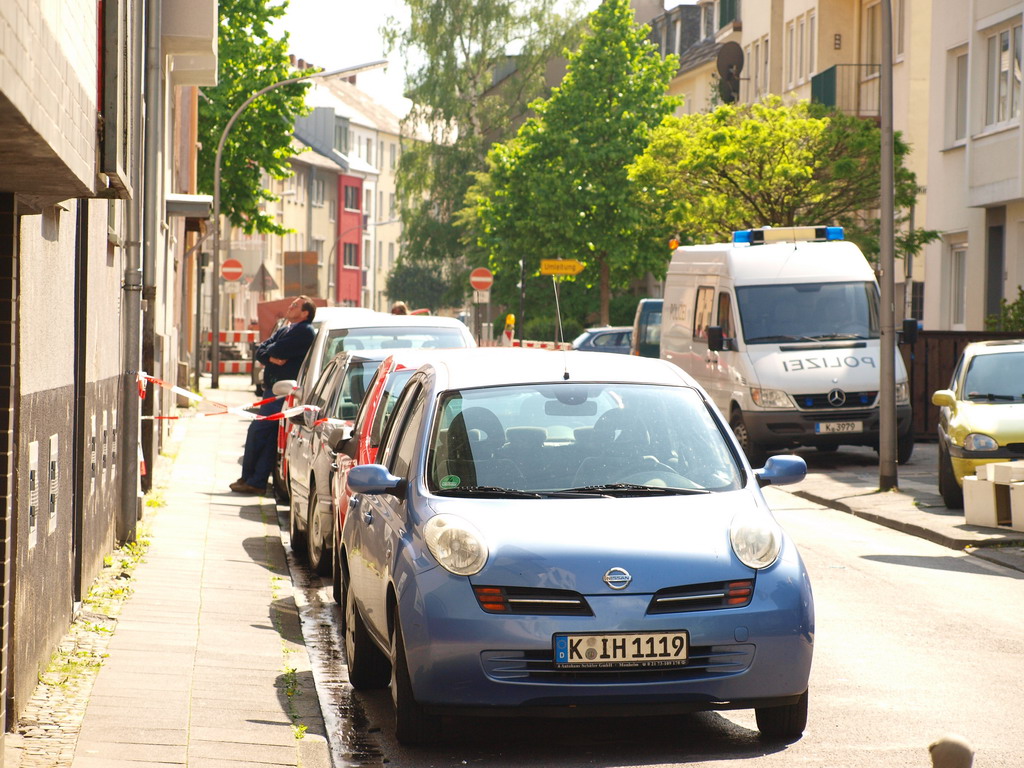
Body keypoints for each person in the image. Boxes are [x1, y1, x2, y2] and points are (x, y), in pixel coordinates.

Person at [231, 296, 317, 494]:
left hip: (282, 392)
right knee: (268, 438)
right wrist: (269, 355)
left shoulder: (304, 332)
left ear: (305, 313)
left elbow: (276, 348)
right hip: (273, 390)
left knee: (258, 430)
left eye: (295, 306)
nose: (290, 306)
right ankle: (256, 481)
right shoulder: (286, 328)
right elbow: (260, 350)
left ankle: (250, 478)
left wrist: (268, 353)